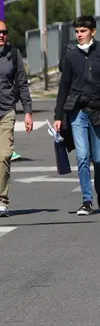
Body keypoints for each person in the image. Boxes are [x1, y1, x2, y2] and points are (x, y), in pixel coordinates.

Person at [53, 16, 100, 216]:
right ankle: (86, 200)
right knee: (82, 157)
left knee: (99, 159)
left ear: (92, 31)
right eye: (76, 32)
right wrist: (58, 115)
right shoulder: (71, 54)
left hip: (98, 111)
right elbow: (64, 86)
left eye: (83, 31)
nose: (79, 35)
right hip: (77, 112)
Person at [0, 21, 33, 217]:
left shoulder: (13, 55)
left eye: (4, 32)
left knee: (4, 156)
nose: (1, 35)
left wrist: (27, 112)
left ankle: (2, 201)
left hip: (6, 112)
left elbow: (22, 83)